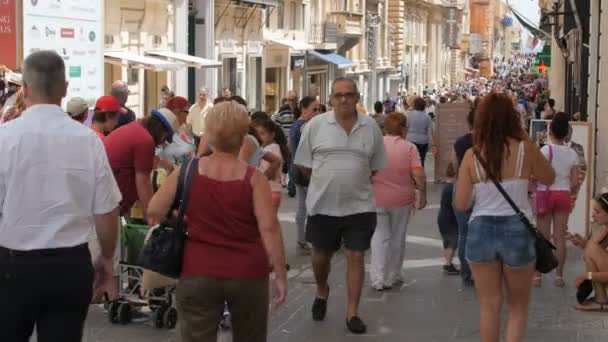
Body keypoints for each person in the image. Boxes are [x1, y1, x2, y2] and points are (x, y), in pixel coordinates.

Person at [0, 50, 121, 342]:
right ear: (65, 89)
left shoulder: (5, 138)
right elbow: (106, 212)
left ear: (25, 89)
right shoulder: (88, 141)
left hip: (13, 267)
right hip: (69, 265)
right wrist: (107, 261)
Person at [147, 101, 287, 342]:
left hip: (198, 269)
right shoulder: (254, 179)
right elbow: (269, 228)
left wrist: (180, 216)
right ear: (243, 137)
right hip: (247, 273)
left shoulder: (188, 170)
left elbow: (154, 210)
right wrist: (281, 275)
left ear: (209, 134)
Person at [455, 93, 555, 342]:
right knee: (517, 308)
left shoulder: (472, 155)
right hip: (517, 233)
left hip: (480, 231)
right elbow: (550, 177)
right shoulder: (525, 148)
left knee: (489, 307)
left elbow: (461, 203)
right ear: (512, 117)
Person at [295, 78, 387, 334]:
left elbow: (377, 165)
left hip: (360, 206)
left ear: (357, 97)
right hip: (323, 206)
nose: (344, 99)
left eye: (349, 94)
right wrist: (327, 179)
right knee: (320, 256)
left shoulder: (371, 127)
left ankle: (352, 312)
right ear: (331, 99)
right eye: (338, 95)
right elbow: (303, 164)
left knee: (356, 256)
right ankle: (322, 289)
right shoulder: (315, 126)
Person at [370, 112, 426, 291]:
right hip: (402, 199)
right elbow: (418, 174)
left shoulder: (375, 145)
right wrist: (423, 194)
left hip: (376, 197)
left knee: (379, 237)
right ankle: (393, 275)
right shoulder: (409, 148)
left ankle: (377, 278)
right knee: (397, 237)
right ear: (403, 129)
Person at [533, 113, 580, 288]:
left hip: (546, 194)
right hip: (563, 195)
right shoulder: (572, 153)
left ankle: (537, 276)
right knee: (560, 237)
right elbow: (575, 181)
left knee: (542, 237)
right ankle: (559, 276)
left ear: (550, 130)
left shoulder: (545, 150)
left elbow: (537, 174)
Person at [104, 108, 178, 220]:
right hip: (111, 204)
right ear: (161, 131)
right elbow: (144, 183)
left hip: (107, 198)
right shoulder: (145, 140)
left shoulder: (135, 129)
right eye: (165, 138)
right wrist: (152, 219)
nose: (163, 142)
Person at [290, 96, 320, 251]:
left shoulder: (299, 125)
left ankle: (302, 239)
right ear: (304, 108)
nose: (317, 112)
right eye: (314, 109)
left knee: (303, 206)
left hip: (298, 169)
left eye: (318, 109)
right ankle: (310, 239)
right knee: (312, 206)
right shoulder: (304, 126)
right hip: (305, 170)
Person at [569, 192, 608, 312]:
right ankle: (600, 299)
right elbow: (594, 253)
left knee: (591, 247)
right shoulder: (606, 229)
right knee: (590, 247)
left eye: (597, 212)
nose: (593, 215)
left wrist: (587, 276)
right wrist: (583, 243)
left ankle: (602, 301)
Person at [452, 106, 476, 286]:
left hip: (462, 186)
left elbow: (453, 165)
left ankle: (466, 275)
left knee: (463, 234)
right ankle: (481, 273)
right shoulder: (489, 142)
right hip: (482, 188)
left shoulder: (459, 143)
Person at [252, 118, 290, 211]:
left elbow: (271, 172)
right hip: (273, 191)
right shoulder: (272, 147)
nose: (260, 137)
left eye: (263, 133)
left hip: (268, 191)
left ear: (272, 134)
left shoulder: (271, 149)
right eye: (258, 134)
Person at [437, 163, 460, 275]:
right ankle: (448, 264)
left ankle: (447, 262)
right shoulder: (453, 188)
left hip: (442, 217)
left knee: (447, 241)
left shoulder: (446, 186)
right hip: (450, 218)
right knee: (452, 242)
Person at [407, 96, 435, 167]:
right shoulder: (427, 117)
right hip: (423, 141)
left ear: (415, 105)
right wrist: (433, 144)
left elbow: (406, 128)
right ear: (424, 106)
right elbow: (430, 132)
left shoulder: (409, 115)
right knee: (421, 160)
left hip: (411, 140)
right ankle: (420, 173)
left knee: (411, 161)